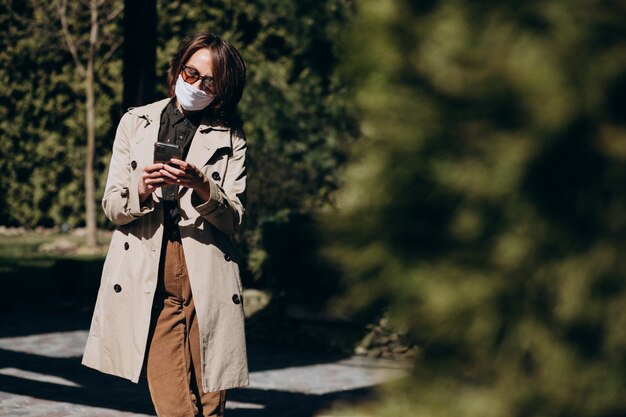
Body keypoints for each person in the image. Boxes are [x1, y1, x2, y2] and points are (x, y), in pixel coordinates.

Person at [82, 32, 249, 417]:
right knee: (175, 406)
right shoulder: (135, 122)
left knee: (210, 404)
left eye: (209, 82)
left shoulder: (232, 139)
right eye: (191, 73)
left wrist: (203, 186)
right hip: (149, 266)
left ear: (221, 92)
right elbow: (111, 206)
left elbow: (235, 218)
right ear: (177, 68)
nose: (195, 86)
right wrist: (141, 187)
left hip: (206, 268)